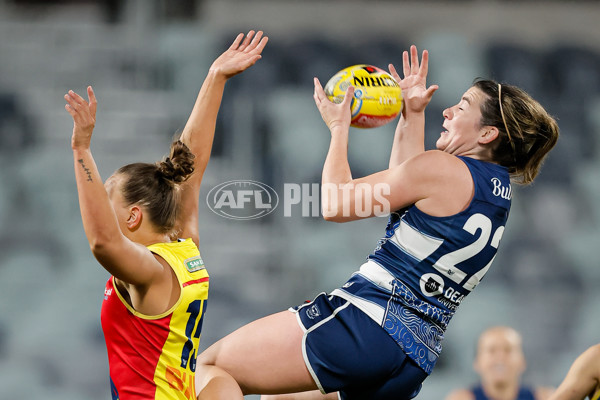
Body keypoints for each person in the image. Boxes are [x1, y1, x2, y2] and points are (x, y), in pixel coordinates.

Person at [195, 45, 559, 400]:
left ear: (487, 134)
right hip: (412, 356)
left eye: (462, 106)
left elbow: (335, 204)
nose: (447, 111)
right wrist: (411, 115)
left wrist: (339, 128)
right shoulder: (498, 195)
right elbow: (407, 192)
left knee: (214, 366)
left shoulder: (444, 168)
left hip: (366, 322)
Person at [64, 30, 268, 400]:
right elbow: (192, 163)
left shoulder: (149, 273)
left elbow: (102, 241)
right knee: (217, 379)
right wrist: (215, 78)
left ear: (133, 217)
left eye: (109, 199)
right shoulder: (187, 248)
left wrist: (82, 149)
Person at [445, 326, 554, 400]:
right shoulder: (460, 398)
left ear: (522, 361)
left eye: (508, 350)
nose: (500, 358)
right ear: (477, 362)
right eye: (491, 350)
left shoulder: (546, 397)